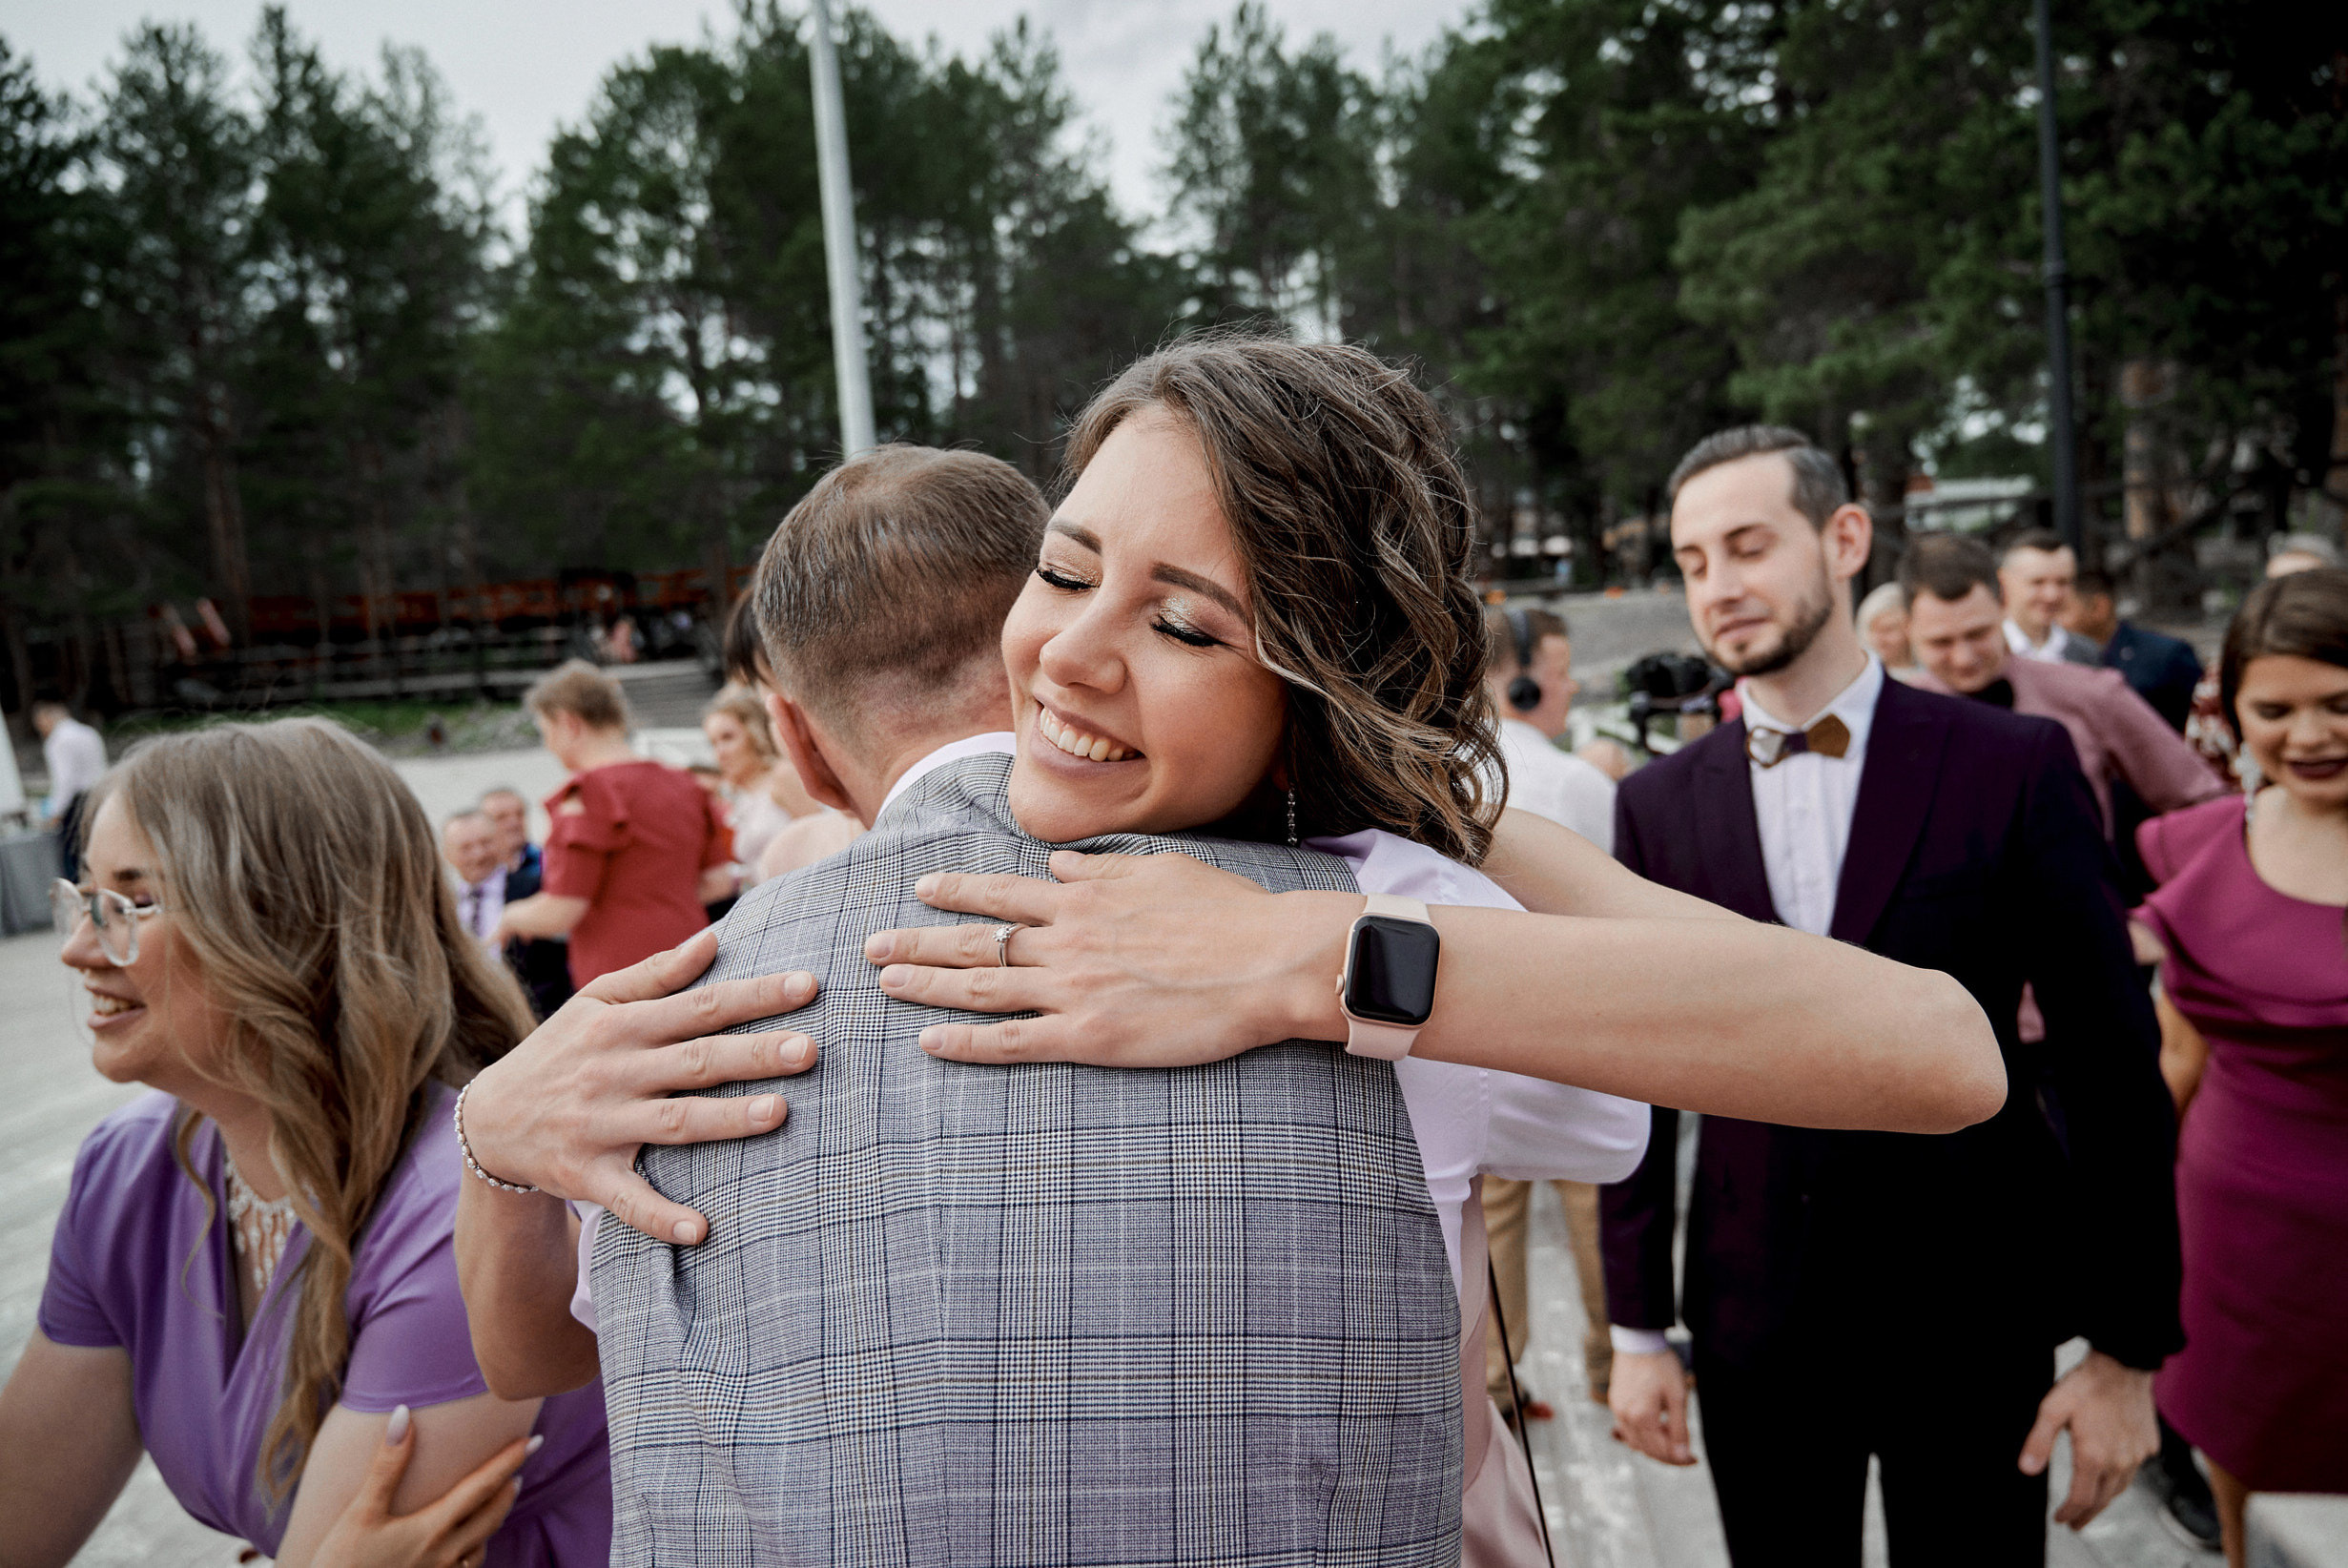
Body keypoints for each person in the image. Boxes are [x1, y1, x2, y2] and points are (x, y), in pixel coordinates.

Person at [454, 353, 1999, 1566]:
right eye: (1062, 571)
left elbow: (1938, 1051)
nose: (1066, 652)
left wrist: (1312, 954)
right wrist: (496, 1130)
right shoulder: (1386, 886)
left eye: (1186, 623)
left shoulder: (1361, 908)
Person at [1593, 426, 2183, 1566]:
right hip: (1750, 1321)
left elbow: (2115, 1065)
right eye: (1691, 560)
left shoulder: (2012, 763)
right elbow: (1631, 1087)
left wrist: (2124, 1351)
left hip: (1973, 1315)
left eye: (1747, 546)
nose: (1717, 586)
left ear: (1844, 538)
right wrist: (1635, 1329)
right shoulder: (1659, 806)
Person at [4, 717, 610, 1567]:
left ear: (288, 927)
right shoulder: (130, 1171)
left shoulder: (454, 1213)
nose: (76, 949)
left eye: (132, 904)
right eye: (84, 897)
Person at [2132, 567, 2348, 1568]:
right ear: (2232, 711)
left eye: (2338, 703)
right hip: (2232, 1231)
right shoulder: (2200, 849)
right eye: (2275, 710)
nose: (2308, 736)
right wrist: (2122, 1227)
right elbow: (2175, 1058)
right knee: (2235, 1435)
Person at [1478, 603, 1618, 1414]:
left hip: (1481, 1032)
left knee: (1495, 1215)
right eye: (1558, 672)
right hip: (1584, 1027)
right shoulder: (1577, 781)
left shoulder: (1441, 772)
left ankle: (1496, 1380)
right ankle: (1611, 1365)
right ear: (1523, 679)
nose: (1565, 688)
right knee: (1595, 1202)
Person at [1904, 532, 2228, 836]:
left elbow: (2203, 799)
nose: (1963, 657)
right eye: (1940, 643)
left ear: (2001, 603)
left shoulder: (2091, 692)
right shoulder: (1891, 714)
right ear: (1908, 629)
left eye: (1978, 634)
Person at [493, 661, 732, 988]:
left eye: (547, 732)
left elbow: (562, 909)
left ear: (569, 724)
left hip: (621, 972)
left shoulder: (588, 794)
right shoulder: (685, 784)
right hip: (692, 956)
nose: (548, 745)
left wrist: (510, 916)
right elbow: (719, 882)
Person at [2062, 568, 2203, 732]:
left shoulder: (2165, 655)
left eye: (2061, 610)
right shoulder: (2060, 659)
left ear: (2098, 607)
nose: (2053, 621)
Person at [701, 684, 809, 886]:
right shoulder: (738, 796)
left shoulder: (783, 776)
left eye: (728, 737)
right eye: (713, 743)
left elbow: (822, 840)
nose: (720, 752)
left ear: (754, 732)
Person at [479, 788, 572, 1021]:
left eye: (519, 814)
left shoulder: (550, 867)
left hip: (547, 997)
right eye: (501, 817)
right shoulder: (476, 874)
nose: (513, 823)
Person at [1997, 528, 2100, 666]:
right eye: (2038, 582)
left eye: (2062, 582)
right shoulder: (1986, 653)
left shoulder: (2087, 653)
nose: (2052, 595)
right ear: (2004, 581)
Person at [32, 700, 108, 881]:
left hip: (77, 802)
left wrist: (56, 811)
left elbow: (65, 780)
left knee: (73, 854)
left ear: (46, 719)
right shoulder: (88, 732)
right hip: (98, 794)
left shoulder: (58, 740)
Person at [443, 811, 507, 946]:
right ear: (447, 855)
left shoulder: (533, 889)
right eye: (465, 848)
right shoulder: (442, 904)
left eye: (486, 843)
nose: (479, 855)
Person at [1854, 580, 1916, 676]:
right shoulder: (1863, 676)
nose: (1879, 639)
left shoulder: (1932, 679)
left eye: (1888, 630)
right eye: (1872, 630)